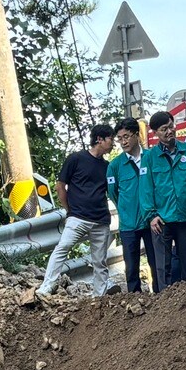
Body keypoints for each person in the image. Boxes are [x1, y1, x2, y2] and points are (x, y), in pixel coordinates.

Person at [40, 124, 114, 297]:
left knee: (100, 261)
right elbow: (60, 186)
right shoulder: (76, 159)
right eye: (110, 139)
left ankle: (99, 296)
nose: (113, 143)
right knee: (62, 248)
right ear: (99, 139)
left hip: (101, 220)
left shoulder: (108, 166)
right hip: (78, 217)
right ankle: (46, 287)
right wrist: (70, 211)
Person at [144, 111, 186, 286]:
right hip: (162, 220)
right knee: (163, 266)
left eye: (170, 127)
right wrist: (151, 215)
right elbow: (146, 189)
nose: (169, 132)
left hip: (185, 216)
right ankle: (166, 306)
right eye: (163, 129)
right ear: (155, 133)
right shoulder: (150, 157)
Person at [108, 118, 158, 292]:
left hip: (152, 221)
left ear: (137, 135)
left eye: (127, 137)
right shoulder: (115, 165)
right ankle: (135, 300)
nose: (123, 142)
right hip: (128, 224)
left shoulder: (152, 157)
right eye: (120, 138)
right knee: (131, 267)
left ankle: (161, 298)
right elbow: (113, 193)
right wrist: (126, 208)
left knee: (156, 262)